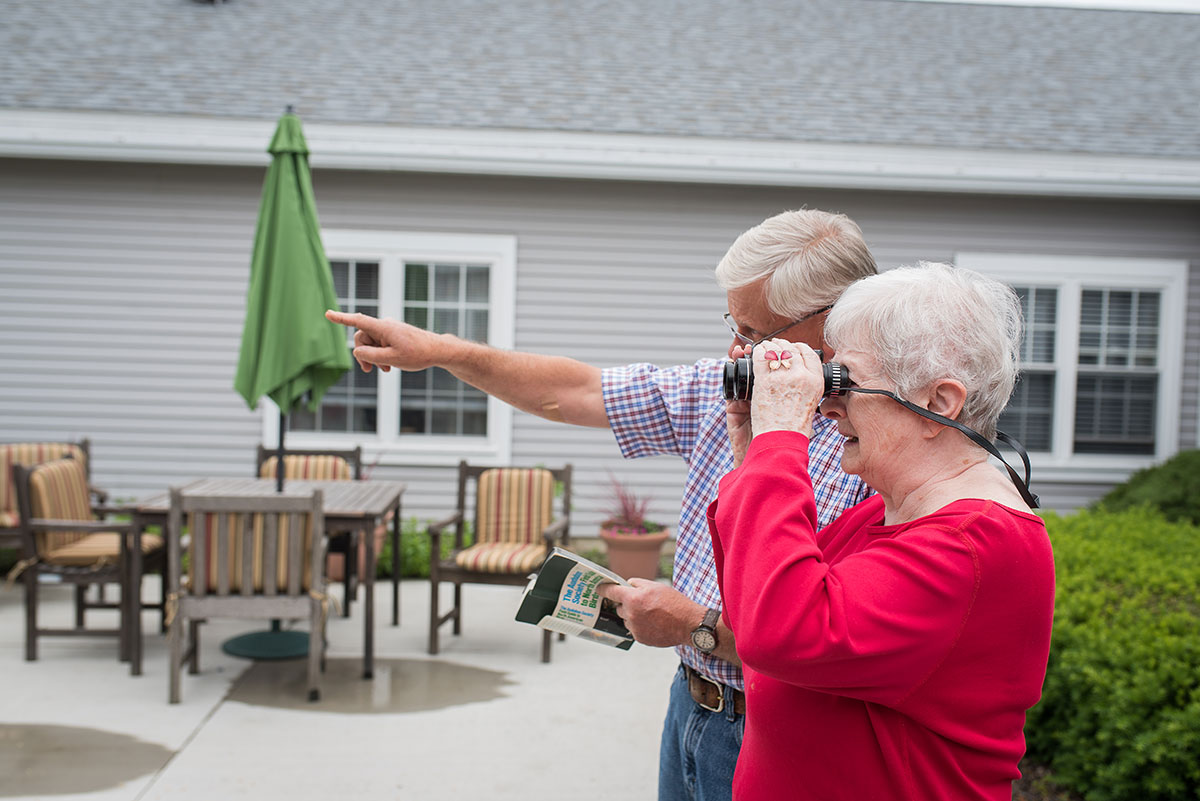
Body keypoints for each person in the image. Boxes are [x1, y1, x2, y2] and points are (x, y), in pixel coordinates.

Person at [325, 209, 877, 801]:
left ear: (834, 320)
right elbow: (578, 392)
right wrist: (440, 351)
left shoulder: (875, 448)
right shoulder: (729, 384)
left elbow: (839, 641)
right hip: (690, 702)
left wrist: (698, 626)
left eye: (755, 333)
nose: (734, 348)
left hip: (783, 732)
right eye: (733, 324)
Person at [707, 263, 1056, 801]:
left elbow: (781, 634)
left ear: (939, 404)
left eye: (844, 381)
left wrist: (780, 447)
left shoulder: (976, 543)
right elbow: (751, 606)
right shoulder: (885, 513)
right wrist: (755, 450)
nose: (826, 403)